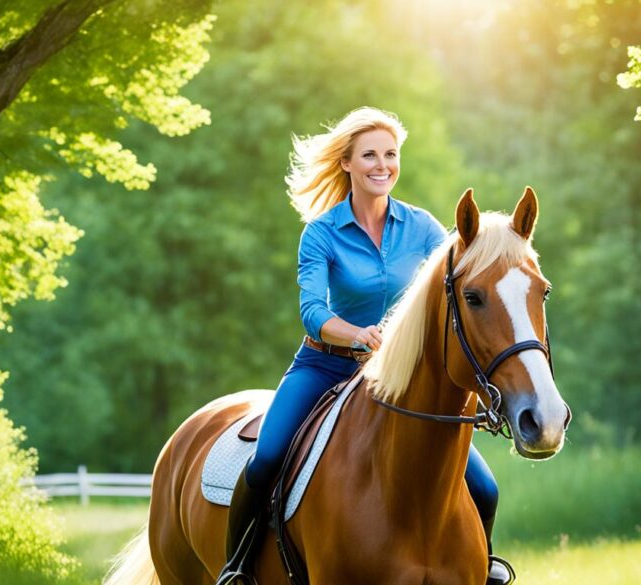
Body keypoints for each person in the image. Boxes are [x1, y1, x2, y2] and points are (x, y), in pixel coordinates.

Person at [219, 107, 513, 584]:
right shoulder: (321, 233)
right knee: (268, 457)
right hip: (326, 366)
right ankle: (237, 570)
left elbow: (459, 287)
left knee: (484, 485)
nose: (383, 165)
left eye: (391, 154)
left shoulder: (423, 230)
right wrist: (357, 334)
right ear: (347, 164)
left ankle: (486, 566)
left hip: (401, 380)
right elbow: (312, 310)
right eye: (370, 155)